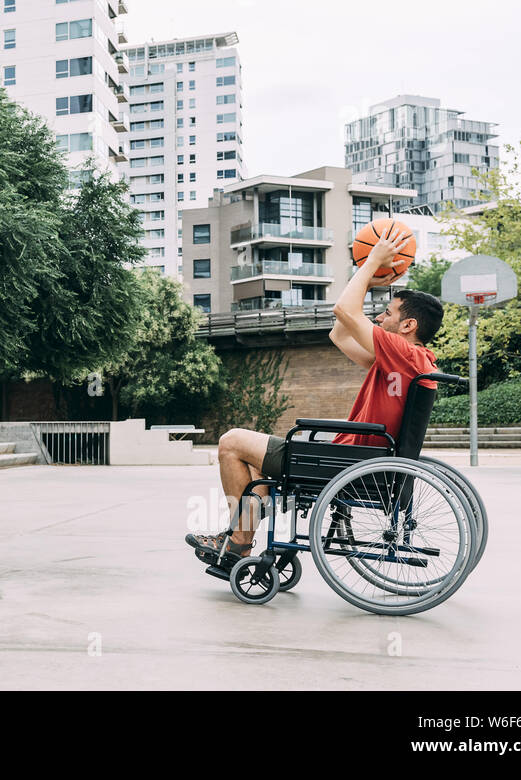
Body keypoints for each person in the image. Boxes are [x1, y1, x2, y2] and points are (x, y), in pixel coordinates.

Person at [184, 232, 444, 568]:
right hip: (356, 460)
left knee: (231, 441)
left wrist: (370, 264)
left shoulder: (403, 352)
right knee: (250, 463)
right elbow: (339, 332)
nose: (380, 318)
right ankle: (239, 542)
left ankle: (237, 542)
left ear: (409, 324)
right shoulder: (408, 362)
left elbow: (342, 309)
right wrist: (371, 275)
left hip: (343, 462)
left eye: (388, 313)